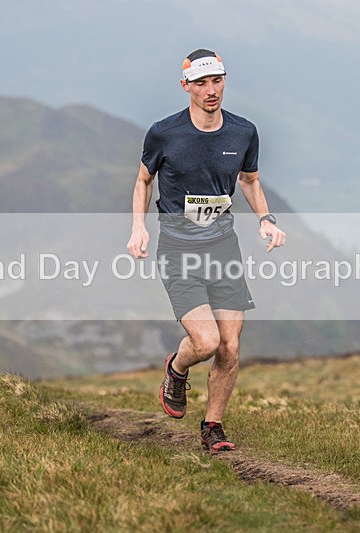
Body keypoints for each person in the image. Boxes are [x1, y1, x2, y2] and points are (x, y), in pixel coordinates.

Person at [127, 49, 286, 451]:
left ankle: (212, 425)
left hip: (223, 246)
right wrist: (138, 228)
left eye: (216, 80)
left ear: (224, 80)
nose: (210, 90)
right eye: (200, 83)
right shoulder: (164, 133)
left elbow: (249, 180)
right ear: (186, 87)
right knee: (206, 343)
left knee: (230, 345)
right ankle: (177, 369)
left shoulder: (243, 131)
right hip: (178, 248)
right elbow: (144, 180)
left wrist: (266, 220)